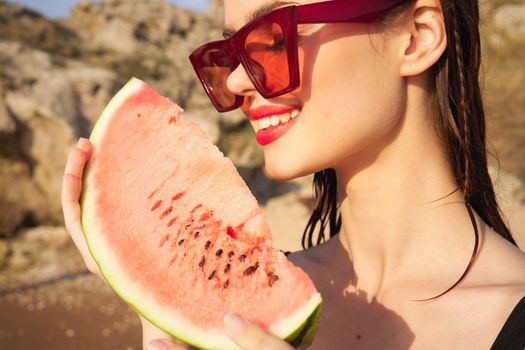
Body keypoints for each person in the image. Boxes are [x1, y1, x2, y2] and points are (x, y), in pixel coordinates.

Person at [62, 0, 525, 349]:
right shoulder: (245, 304)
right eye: (226, 54)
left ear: (417, 37)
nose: (238, 82)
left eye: (274, 39)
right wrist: (156, 300)